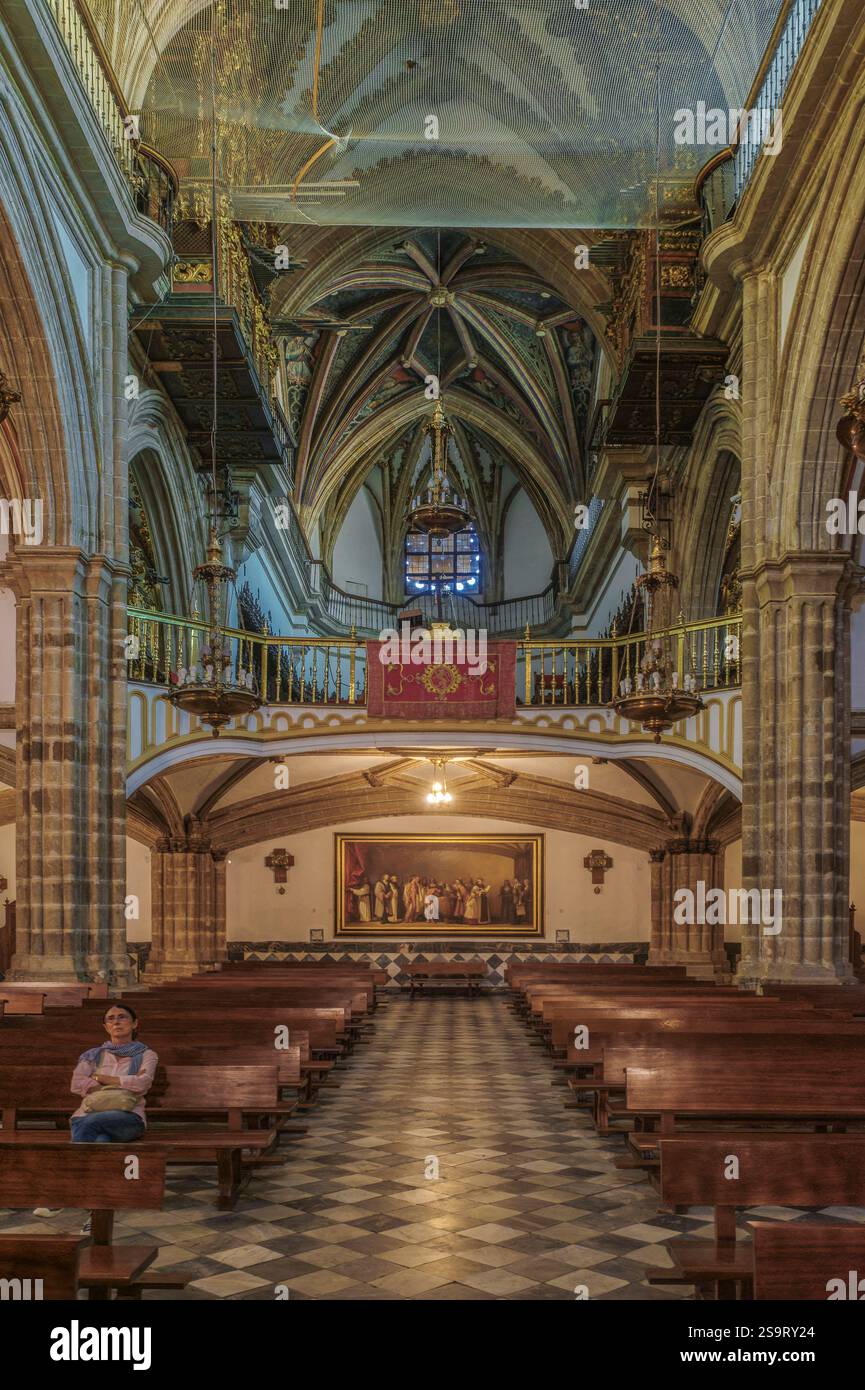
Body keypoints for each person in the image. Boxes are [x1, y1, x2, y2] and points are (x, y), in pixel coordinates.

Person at [34, 1004, 157, 1228]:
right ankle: (95, 1219)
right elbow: (77, 1084)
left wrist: (100, 1079)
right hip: (90, 1119)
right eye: (111, 1018)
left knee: (86, 1124)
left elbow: (143, 1083)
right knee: (99, 1143)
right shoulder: (92, 1055)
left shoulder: (147, 1054)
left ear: (135, 1023)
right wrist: (122, 1085)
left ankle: (61, 1194)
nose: (116, 1022)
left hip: (128, 1119)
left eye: (122, 1017)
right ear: (105, 1026)